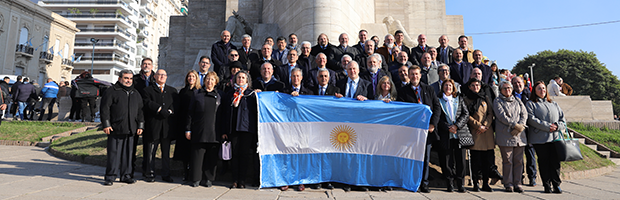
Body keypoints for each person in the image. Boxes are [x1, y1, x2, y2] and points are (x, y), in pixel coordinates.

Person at [396, 65, 441, 193]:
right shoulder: (402, 91)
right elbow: (402, 111)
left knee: (425, 157)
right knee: (410, 157)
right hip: (411, 131)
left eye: (416, 74)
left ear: (420, 75)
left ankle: (424, 183)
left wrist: (432, 124)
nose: (414, 76)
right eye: (412, 74)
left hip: (427, 130)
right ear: (408, 76)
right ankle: (410, 181)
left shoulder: (429, 89)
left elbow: (437, 108)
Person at [101, 69, 144, 186]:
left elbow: (140, 111)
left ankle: (126, 175)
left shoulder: (136, 93)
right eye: (126, 78)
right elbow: (105, 109)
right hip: (116, 128)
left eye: (130, 78)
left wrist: (140, 125)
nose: (128, 81)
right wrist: (106, 124)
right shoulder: (111, 91)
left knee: (129, 154)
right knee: (114, 154)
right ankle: (110, 176)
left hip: (131, 129)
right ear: (120, 78)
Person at [526, 81, 566, 194]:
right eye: (539, 88)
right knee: (544, 163)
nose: (542, 90)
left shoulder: (554, 104)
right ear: (534, 91)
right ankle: (547, 185)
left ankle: (556, 184)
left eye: (543, 88)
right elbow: (531, 119)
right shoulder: (531, 104)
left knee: (555, 163)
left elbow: (563, 119)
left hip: (555, 138)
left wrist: (557, 126)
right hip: (540, 139)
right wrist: (548, 127)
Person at [221, 70, 258, 189]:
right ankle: (234, 180)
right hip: (233, 128)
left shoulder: (251, 94)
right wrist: (225, 130)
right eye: (239, 78)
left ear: (247, 80)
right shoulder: (230, 93)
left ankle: (242, 180)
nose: (240, 80)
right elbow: (225, 113)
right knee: (235, 154)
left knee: (244, 155)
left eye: (243, 78)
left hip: (247, 129)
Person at [142, 69, 178, 183]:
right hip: (154, 126)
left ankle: (166, 174)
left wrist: (170, 111)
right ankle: (150, 174)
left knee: (166, 153)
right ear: (155, 76)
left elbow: (176, 104)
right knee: (151, 152)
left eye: (164, 75)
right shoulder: (147, 90)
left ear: (167, 77)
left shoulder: (172, 91)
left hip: (167, 127)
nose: (162, 76)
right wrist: (159, 109)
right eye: (159, 74)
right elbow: (147, 103)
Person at [186, 71, 221, 188]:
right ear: (204, 81)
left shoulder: (220, 95)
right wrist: (188, 129)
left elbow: (223, 115)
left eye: (212, 79)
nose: (209, 82)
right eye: (207, 79)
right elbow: (190, 113)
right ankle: (196, 179)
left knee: (211, 157)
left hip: (214, 131)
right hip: (199, 129)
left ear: (215, 82)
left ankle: (209, 179)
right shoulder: (197, 94)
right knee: (197, 156)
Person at [493, 81, 528, 193]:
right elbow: (501, 116)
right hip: (505, 135)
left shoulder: (517, 100)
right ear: (500, 90)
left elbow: (524, 113)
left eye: (509, 88)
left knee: (519, 161)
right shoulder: (497, 101)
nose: (507, 90)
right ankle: (508, 183)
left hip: (519, 135)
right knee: (507, 161)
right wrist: (515, 125)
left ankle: (518, 183)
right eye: (504, 88)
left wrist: (521, 125)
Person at [437, 79, 470, 193]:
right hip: (446, 135)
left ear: (453, 87)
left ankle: (460, 184)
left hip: (459, 134)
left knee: (460, 160)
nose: (448, 88)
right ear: (442, 87)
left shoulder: (459, 99)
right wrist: (447, 127)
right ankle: (449, 183)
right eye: (446, 85)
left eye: (450, 86)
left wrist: (456, 126)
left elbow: (465, 114)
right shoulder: (438, 100)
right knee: (447, 161)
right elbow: (437, 117)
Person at [462, 78, 495, 192]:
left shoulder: (485, 98)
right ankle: (475, 182)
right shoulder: (466, 99)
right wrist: (478, 126)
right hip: (475, 132)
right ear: (469, 87)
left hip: (487, 133)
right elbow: (466, 115)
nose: (476, 87)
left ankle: (485, 183)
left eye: (477, 85)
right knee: (476, 161)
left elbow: (490, 113)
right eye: (473, 85)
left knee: (487, 161)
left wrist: (485, 125)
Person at [173, 70, 202, 182]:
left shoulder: (199, 91)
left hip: (194, 123)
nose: (191, 78)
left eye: (193, 77)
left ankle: (192, 173)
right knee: (184, 150)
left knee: (193, 150)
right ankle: (185, 172)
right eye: (189, 76)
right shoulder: (182, 91)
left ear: (196, 79)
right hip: (183, 123)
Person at [512, 76, 537, 186]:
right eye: (515, 83)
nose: (517, 85)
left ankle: (532, 177)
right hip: (516, 129)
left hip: (528, 129)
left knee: (530, 154)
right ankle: (519, 177)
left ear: (523, 83)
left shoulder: (530, 95)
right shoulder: (510, 95)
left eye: (519, 82)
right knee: (517, 156)